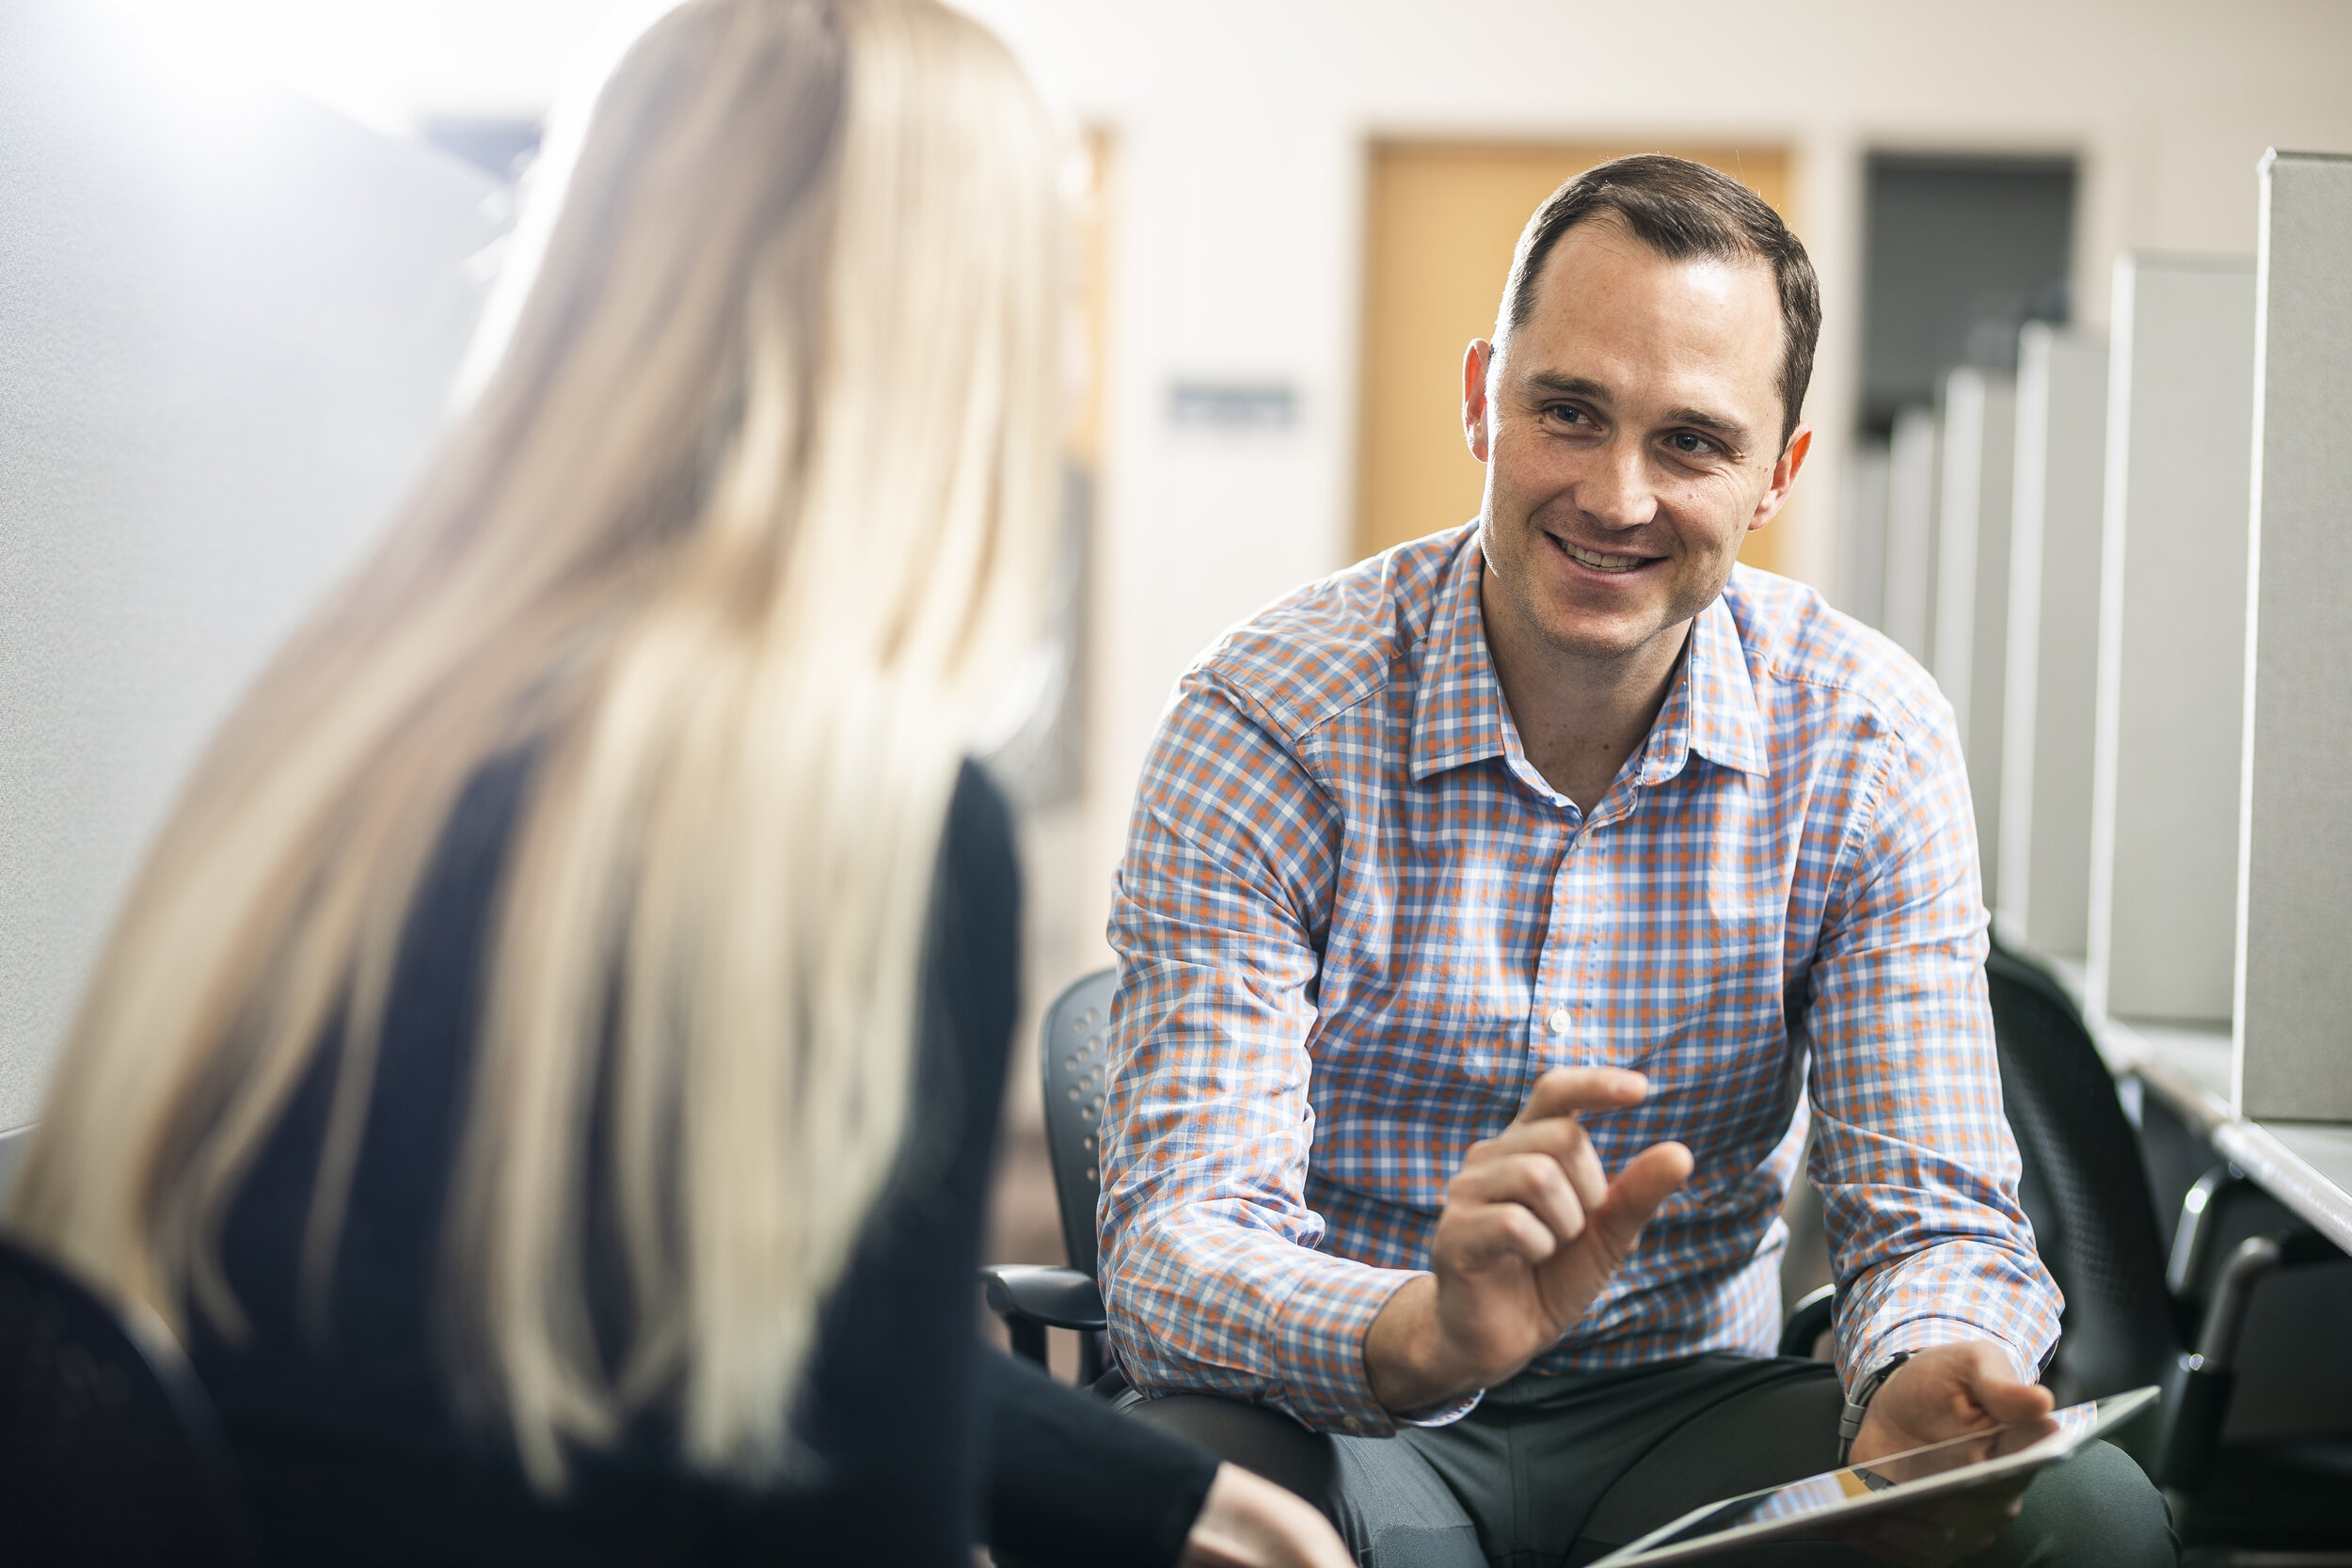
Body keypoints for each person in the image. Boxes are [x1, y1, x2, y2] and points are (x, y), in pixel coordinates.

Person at [4, 3, 1346, 1564]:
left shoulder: (351, 713)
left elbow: (757, 1333)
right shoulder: (871, 825)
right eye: (1054, 293)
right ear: (952, 347)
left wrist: (1175, 1498)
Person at [1097, 156, 2175, 1566]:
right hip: (1355, 1408)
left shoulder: (1863, 738)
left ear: (1777, 475)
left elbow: (1937, 1212)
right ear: (1483, 398)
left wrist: (1923, 1363)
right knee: (1169, 1504)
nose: (1617, 496)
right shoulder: (1270, 721)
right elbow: (1175, 1240)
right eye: (1569, 412)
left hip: (1685, 1413)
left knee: (2086, 1519)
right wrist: (1425, 1329)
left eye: (1691, 443)